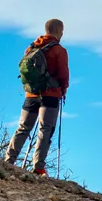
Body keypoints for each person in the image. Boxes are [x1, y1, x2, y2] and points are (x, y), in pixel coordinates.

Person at [5, 19, 70, 175]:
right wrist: (64, 89)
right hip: (51, 94)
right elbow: (63, 74)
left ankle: (9, 161)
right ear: (59, 31)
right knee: (45, 129)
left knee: (23, 128)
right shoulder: (59, 50)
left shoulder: (31, 48)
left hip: (31, 94)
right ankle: (38, 167)